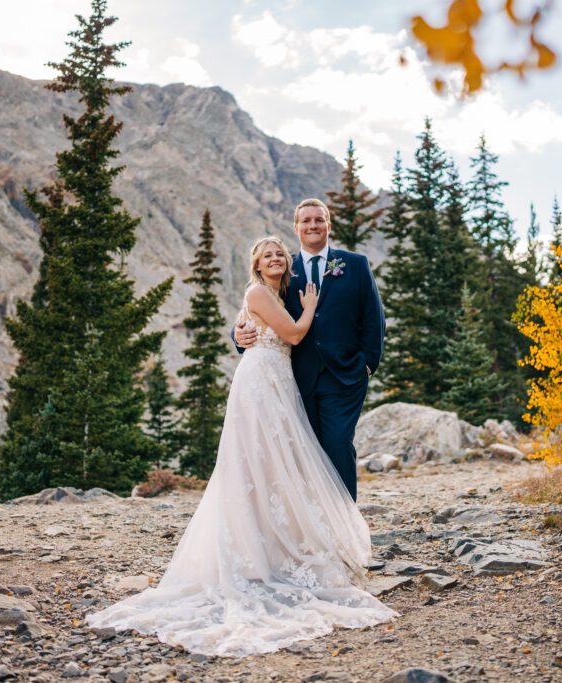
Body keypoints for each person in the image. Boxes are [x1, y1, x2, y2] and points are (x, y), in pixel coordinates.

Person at [86, 235, 396, 658]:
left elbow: (357, 317)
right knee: (259, 463)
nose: (275, 257)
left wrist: (366, 359)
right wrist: (285, 318)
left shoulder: (308, 278)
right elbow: (288, 331)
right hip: (264, 382)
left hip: (291, 380)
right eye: (267, 253)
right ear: (256, 261)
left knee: (284, 463)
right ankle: (257, 550)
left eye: (278, 253)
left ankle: (289, 538)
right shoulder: (262, 290)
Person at [234, 198, 385, 501]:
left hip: (344, 376)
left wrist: (367, 363)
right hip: (295, 378)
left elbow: (373, 317)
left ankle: (344, 524)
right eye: (306, 221)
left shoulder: (355, 265)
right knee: (304, 453)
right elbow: (257, 306)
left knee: (338, 444)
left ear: (329, 225)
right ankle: (313, 526)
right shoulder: (283, 267)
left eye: (319, 220)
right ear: (296, 227)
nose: (312, 225)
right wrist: (238, 335)